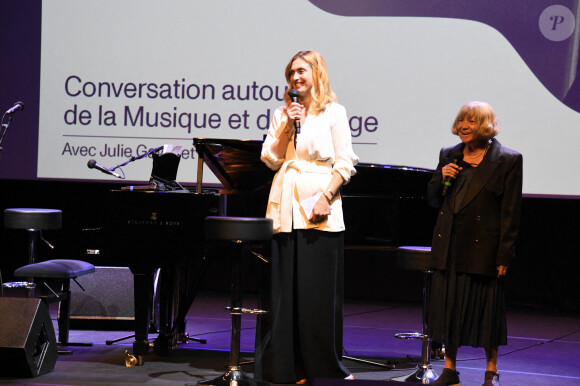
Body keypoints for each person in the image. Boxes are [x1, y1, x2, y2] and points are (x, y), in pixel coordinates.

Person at [254, 50, 358, 384]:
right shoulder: (282, 113)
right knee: (285, 293)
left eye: (301, 71)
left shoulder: (334, 112)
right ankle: (287, 368)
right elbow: (270, 158)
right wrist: (287, 123)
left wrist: (326, 197)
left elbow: (345, 163)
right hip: (285, 205)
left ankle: (322, 368)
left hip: (319, 205)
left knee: (315, 294)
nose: (295, 78)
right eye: (291, 73)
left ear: (316, 73)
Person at [426, 101, 523, 386]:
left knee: (486, 312)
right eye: (461, 120)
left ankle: (490, 371)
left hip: (484, 249)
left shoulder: (507, 159)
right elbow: (433, 200)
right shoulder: (449, 155)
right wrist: (439, 179)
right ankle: (449, 369)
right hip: (450, 245)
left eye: (471, 121)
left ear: (485, 125)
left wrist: (505, 254)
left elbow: (510, 212)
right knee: (450, 309)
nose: (464, 126)